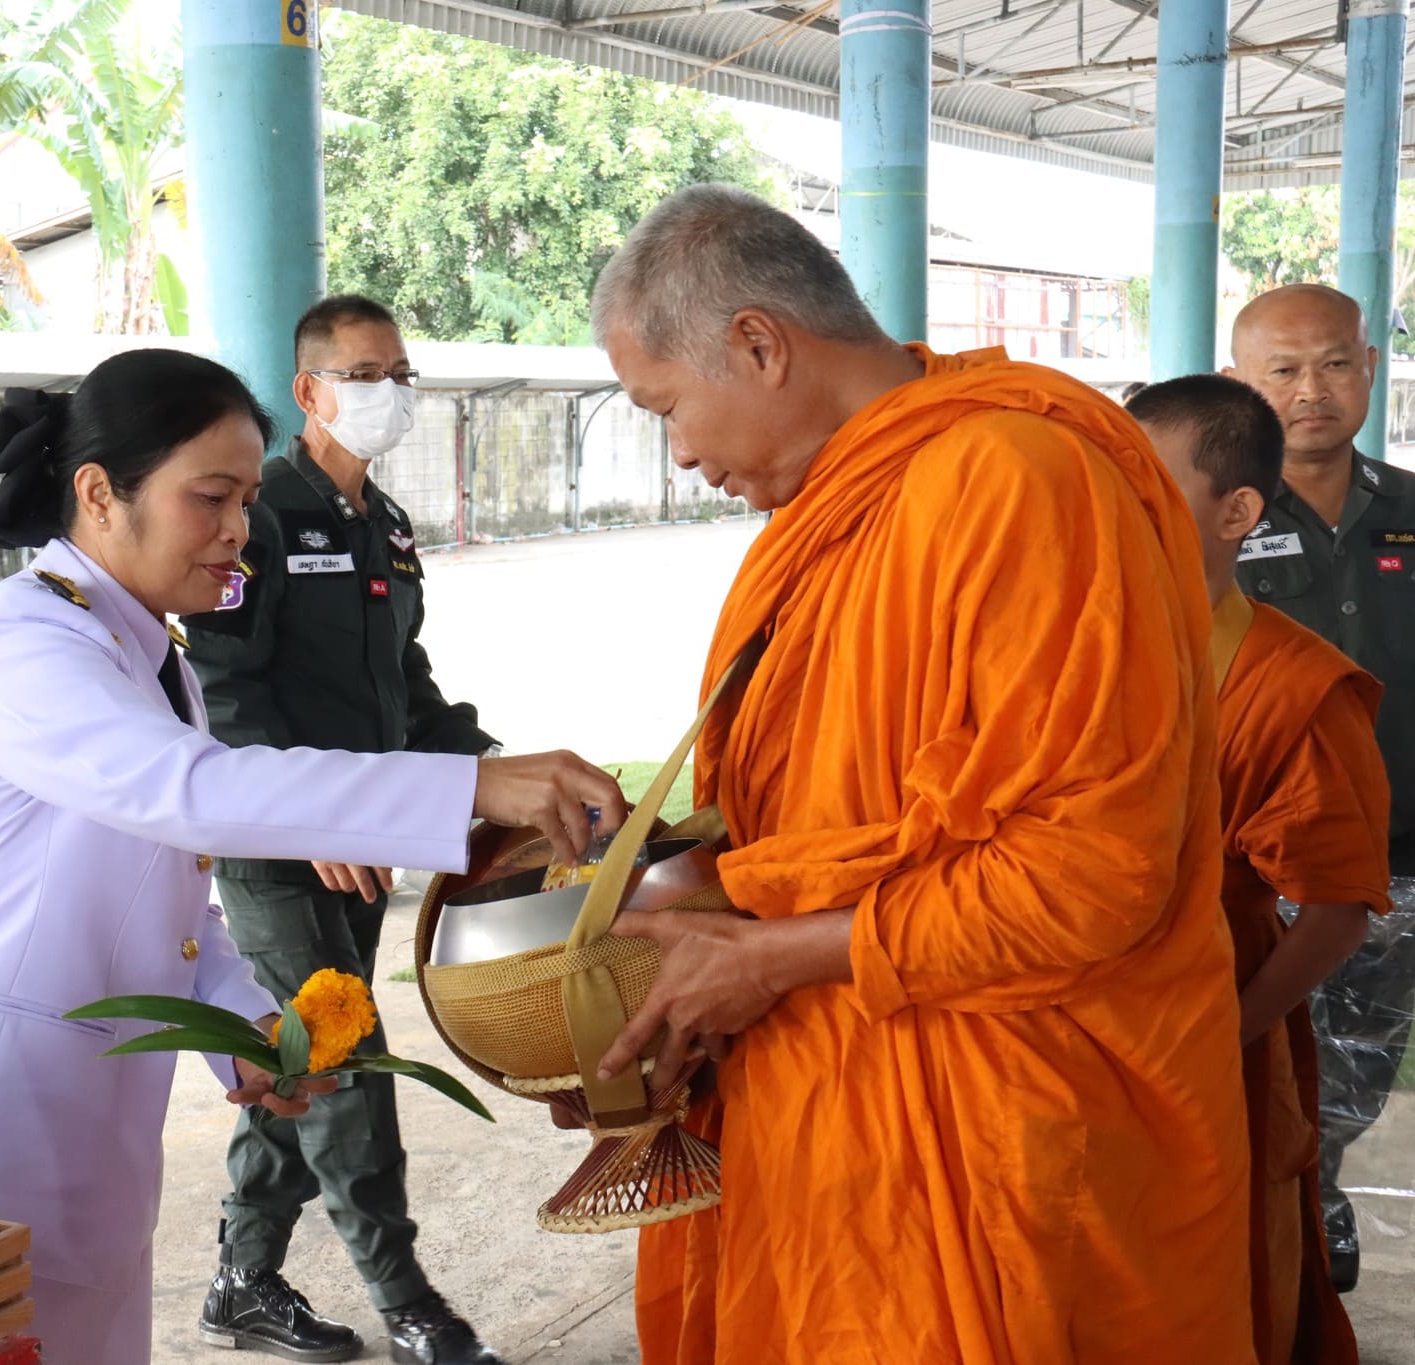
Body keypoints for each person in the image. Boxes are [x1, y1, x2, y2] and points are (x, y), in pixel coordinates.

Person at [0, 348, 624, 1363]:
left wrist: (246, 1023)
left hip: (88, 1131)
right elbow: (189, 793)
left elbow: (159, 895)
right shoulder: (25, 640)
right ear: (99, 495)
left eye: (246, 501)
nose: (239, 530)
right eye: (209, 498)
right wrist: (468, 786)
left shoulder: (145, 650)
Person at [589, 185, 1251, 1362]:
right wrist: (686, 929)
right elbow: (817, 819)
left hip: (999, 1127)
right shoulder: (836, 506)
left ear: (759, 344)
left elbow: (1094, 873)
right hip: (834, 1103)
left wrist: (772, 957)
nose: (679, 452)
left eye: (667, 407)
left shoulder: (1016, 477)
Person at [181, 296, 503, 1365]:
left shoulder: (385, 525)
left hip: (364, 846)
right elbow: (226, 691)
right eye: (364, 375)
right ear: (309, 391)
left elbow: (404, 687)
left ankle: (242, 1281)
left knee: (299, 1064)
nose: (388, 393)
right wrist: (304, 810)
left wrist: (494, 773)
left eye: (399, 372)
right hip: (278, 850)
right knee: (346, 1064)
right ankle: (407, 1300)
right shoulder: (260, 516)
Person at [1129, 374, 1389, 1364]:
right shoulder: (1073, 646)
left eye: (1146, 489)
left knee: (1209, 1277)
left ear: (1235, 512)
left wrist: (1226, 1030)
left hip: (1206, 1026)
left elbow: (1335, 908)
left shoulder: (1291, 685)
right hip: (1070, 1034)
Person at [1227, 283, 1415, 1291]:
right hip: (1260, 868)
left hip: (1396, 863)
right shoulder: (1213, 518)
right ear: (1239, 383)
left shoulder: (1409, 508)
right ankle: (1275, 1235)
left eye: (1335, 364)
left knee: (1356, 1069)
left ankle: (1314, 1204)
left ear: (1369, 369)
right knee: (1250, 1060)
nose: (1311, 391)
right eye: (1284, 370)